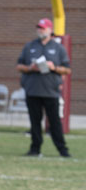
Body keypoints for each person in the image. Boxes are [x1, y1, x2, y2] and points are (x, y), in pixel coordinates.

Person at [16, 18, 71, 157]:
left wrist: (54, 67)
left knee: (55, 122)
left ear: (50, 30)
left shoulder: (58, 48)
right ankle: (35, 149)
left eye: (43, 28)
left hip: (51, 91)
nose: (40, 30)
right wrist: (30, 68)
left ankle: (62, 150)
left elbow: (67, 69)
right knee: (35, 122)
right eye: (39, 28)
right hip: (33, 90)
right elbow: (19, 66)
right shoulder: (30, 46)